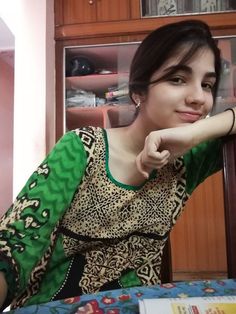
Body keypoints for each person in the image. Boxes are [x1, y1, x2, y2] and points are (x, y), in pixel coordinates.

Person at [0, 19, 235, 310]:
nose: (199, 98)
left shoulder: (189, 158)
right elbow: (16, 245)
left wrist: (193, 133)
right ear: (139, 92)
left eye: (208, 85)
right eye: (177, 79)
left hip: (140, 306)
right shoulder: (80, 148)